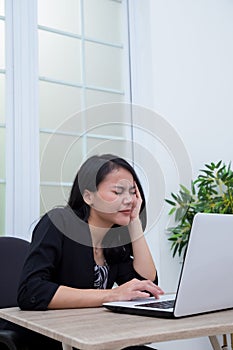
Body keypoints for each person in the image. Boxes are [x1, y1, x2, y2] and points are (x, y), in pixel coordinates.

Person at [17, 154, 164, 349]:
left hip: (94, 337)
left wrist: (134, 222)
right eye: (118, 191)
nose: (129, 200)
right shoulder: (58, 222)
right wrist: (110, 295)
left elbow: (146, 286)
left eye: (132, 192)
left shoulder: (113, 241)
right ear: (88, 197)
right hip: (52, 340)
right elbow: (31, 291)